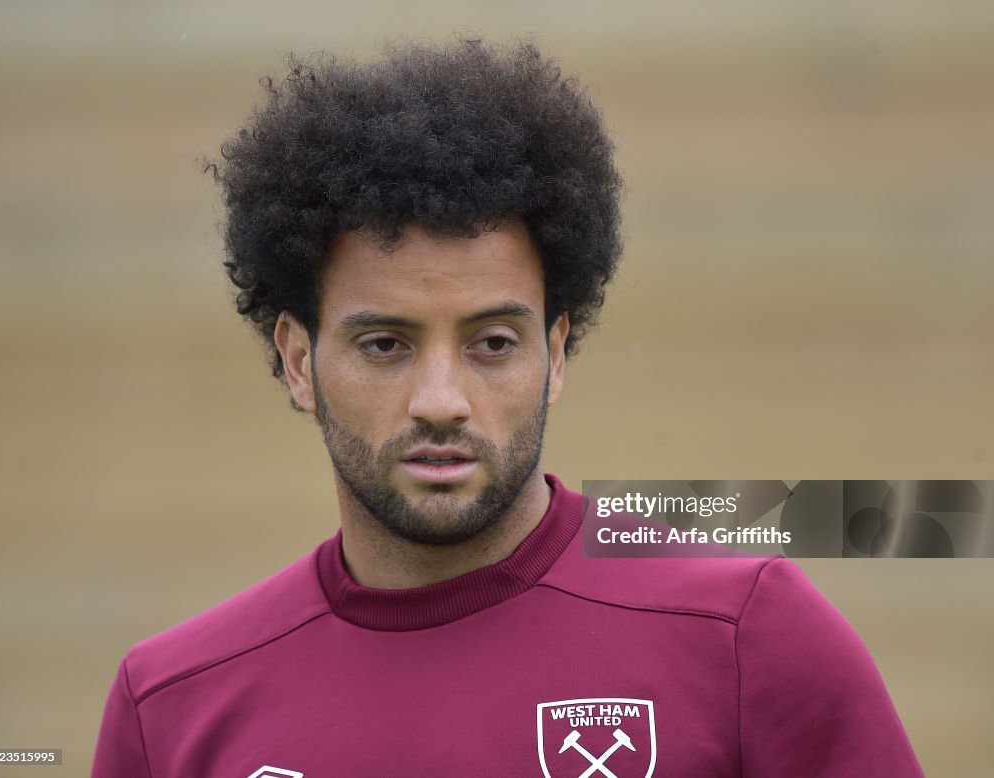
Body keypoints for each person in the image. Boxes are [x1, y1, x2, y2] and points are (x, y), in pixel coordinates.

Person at [92, 37, 924, 777]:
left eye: (493, 343)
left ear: (556, 355)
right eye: (385, 344)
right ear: (299, 361)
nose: (442, 401)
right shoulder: (170, 708)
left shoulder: (746, 633)